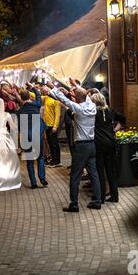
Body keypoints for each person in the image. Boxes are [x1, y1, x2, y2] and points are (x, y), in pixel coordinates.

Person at [49, 79, 101, 212]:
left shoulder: (78, 108)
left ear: (77, 98)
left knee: (75, 175)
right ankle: (97, 201)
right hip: (91, 145)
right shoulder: (92, 106)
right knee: (94, 173)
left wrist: (53, 88)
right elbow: (83, 96)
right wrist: (76, 86)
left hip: (81, 146)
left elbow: (65, 101)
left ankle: (74, 204)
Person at [15, 83, 48, 189]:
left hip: (26, 136)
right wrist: (33, 87)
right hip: (37, 134)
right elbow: (38, 95)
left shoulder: (20, 112)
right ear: (29, 96)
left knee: (29, 160)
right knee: (40, 158)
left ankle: (33, 183)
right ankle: (42, 178)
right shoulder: (36, 105)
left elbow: (19, 126)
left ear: (21, 98)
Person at [90, 93, 119, 204]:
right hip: (111, 143)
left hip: (99, 144)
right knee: (111, 170)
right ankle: (114, 196)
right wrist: (114, 131)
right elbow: (121, 120)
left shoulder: (93, 113)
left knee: (100, 170)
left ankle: (101, 197)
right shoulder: (110, 111)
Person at [40, 85, 62, 168]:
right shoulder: (46, 98)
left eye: (46, 91)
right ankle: (53, 159)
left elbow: (58, 115)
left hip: (52, 125)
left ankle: (57, 161)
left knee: (54, 143)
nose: (45, 92)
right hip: (47, 124)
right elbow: (35, 96)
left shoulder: (56, 101)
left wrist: (55, 126)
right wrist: (32, 88)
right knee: (50, 143)